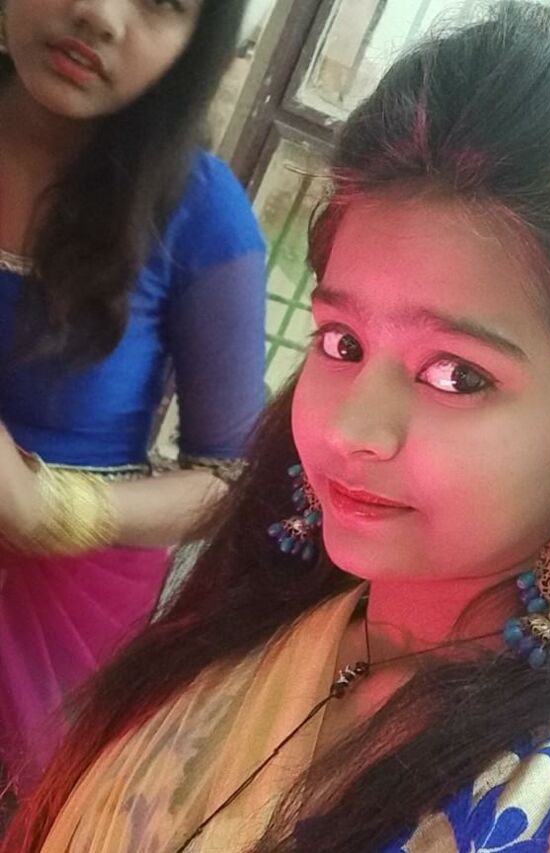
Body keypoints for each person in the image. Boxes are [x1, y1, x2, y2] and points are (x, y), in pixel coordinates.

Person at [5, 1, 550, 849]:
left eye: (457, 374)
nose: (350, 427)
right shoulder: (257, 622)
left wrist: (54, 509)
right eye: (342, 341)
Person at [0, 0, 266, 793]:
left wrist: (48, 511)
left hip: (50, 615)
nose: (99, 14)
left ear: (197, 43)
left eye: (162, 2)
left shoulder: (203, 218)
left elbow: (230, 481)